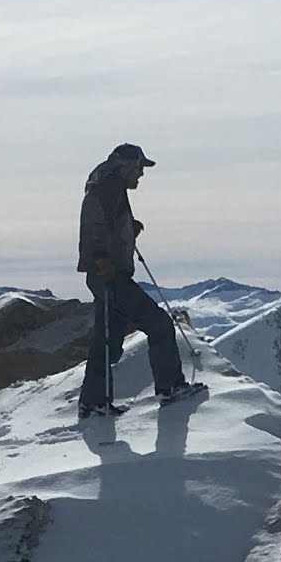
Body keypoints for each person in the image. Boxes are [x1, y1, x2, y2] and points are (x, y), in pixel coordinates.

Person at [74, 141, 194, 412]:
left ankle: (93, 402)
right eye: (139, 168)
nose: (141, 174)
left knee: (107, 342)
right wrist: (102, 256)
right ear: (126, 166)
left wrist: (128, 228)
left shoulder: (107, 186)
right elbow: (94, 223)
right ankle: (170, 387)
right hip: (110, 276)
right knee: (160, 324)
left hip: (104, 275)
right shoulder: (107, 188)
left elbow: (104, 222)